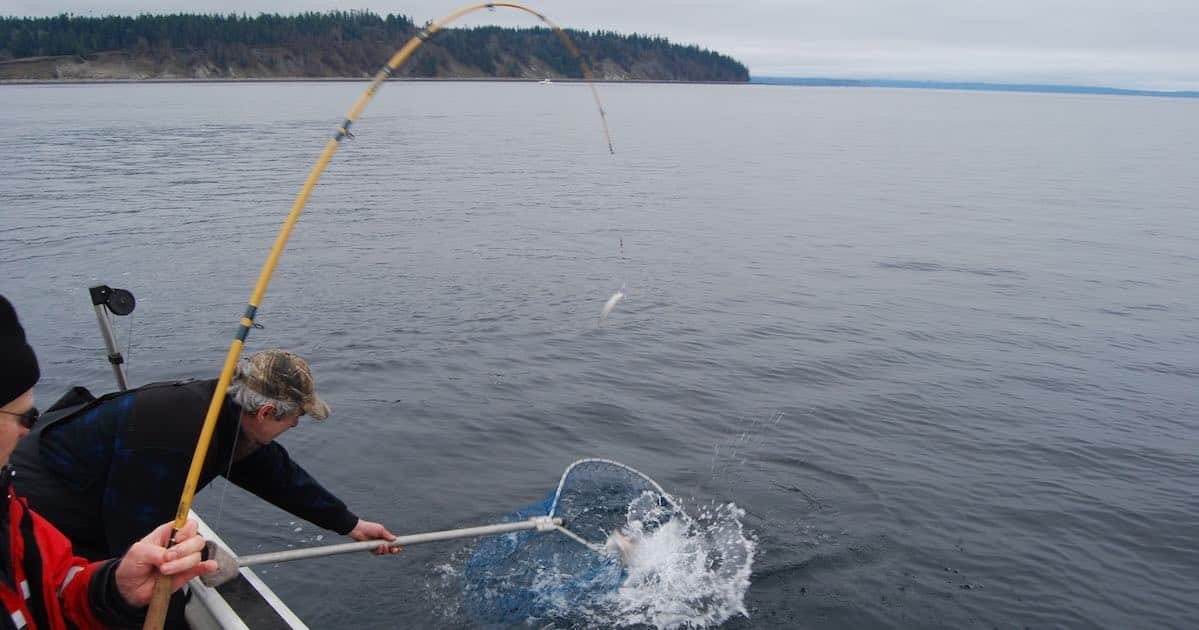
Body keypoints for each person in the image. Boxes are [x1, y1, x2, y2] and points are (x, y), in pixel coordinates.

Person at [11, 347, 398, 563]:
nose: (295, 427)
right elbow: (132, 542)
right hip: (43, 503)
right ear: (265, 413)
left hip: (100, 482)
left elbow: (275, 474)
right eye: (295, 418)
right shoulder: (174, 439)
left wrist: (349, 524)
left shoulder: (226, 411)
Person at [0, 293, 216, 628]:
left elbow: (57, 589)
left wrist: (114, 589)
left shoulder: (12, 512)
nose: (28, 430)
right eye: (25, 417)